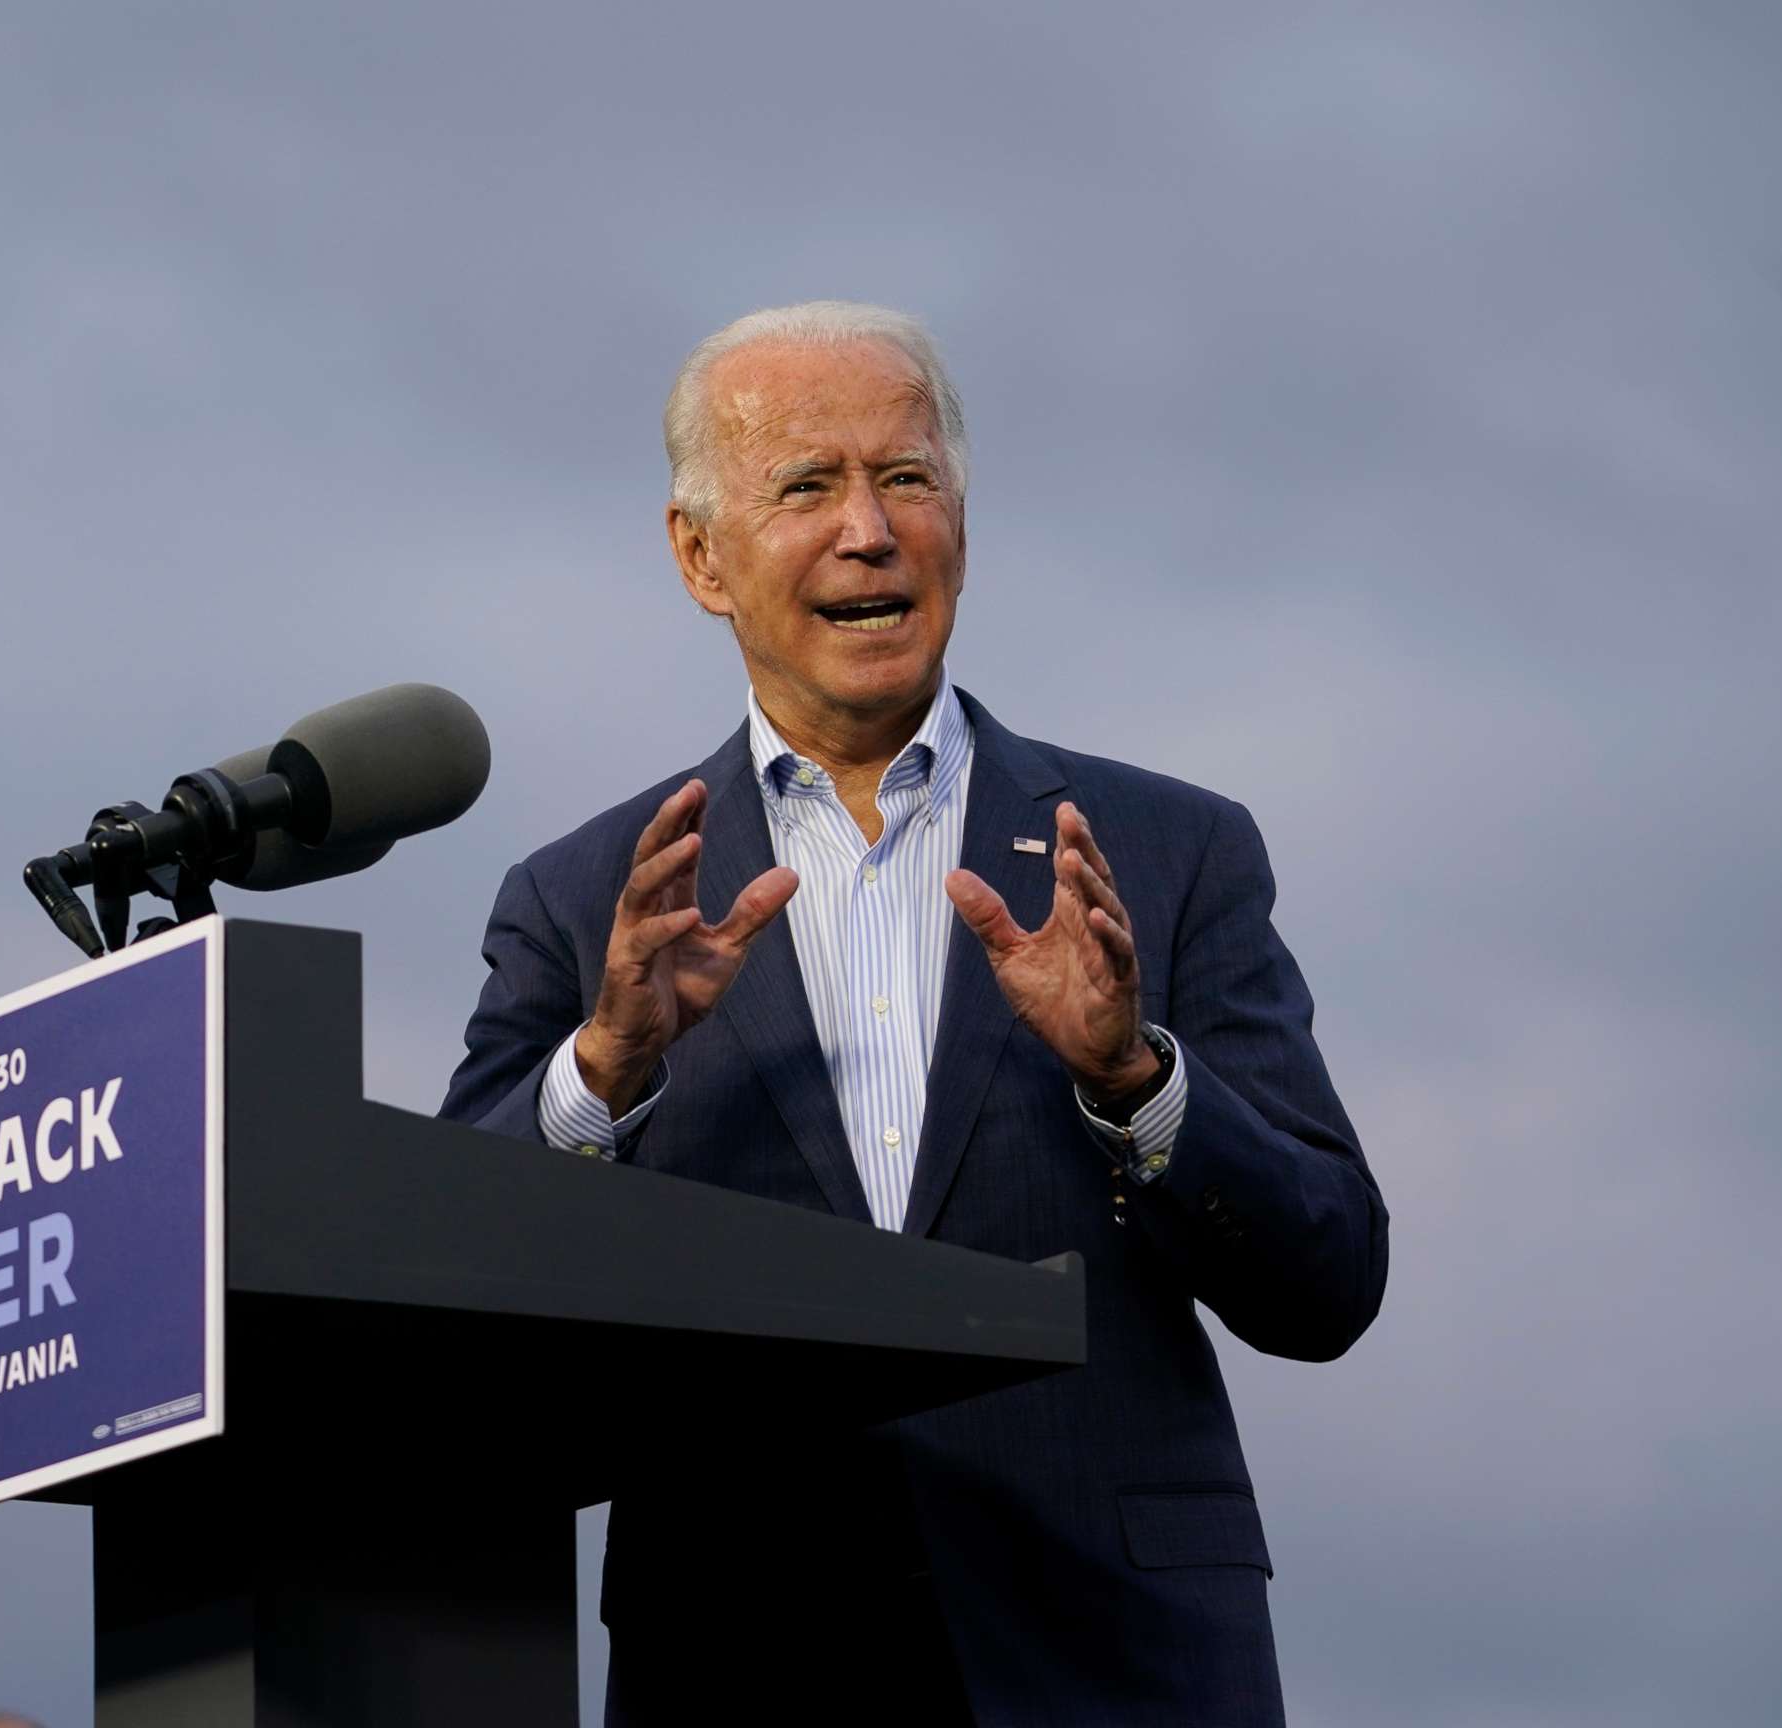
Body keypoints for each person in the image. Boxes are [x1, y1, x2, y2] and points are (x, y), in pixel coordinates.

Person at [438, 301, 1389, 1725]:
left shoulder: (1166, 851)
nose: (869, 531)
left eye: (909, 478)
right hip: (746, 1654)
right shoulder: (587, 903)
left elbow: (1329, 1277)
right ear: (700, 555)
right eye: (807, 486)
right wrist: (604, 1068)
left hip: (1114, 1654)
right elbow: (451, 1292)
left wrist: (1134, 1077)